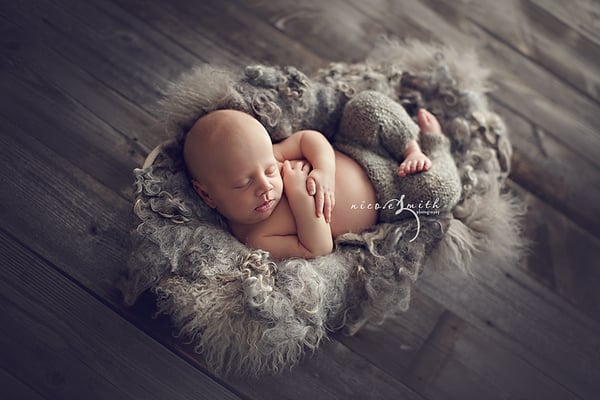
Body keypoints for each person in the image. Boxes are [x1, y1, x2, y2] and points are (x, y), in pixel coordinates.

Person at [183, 94, 451, 260]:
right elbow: (317, 248)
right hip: (391, 193)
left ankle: (411, 147)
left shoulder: (264, 156)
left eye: (269, 171)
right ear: (207, 194)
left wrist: (324, 171)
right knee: (435, 192)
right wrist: (300, 198)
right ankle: (436, 146)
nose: (266, 186)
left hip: (353, 148)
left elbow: (308, 139)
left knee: (365, 106)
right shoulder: (256, 236)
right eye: (244, 184)